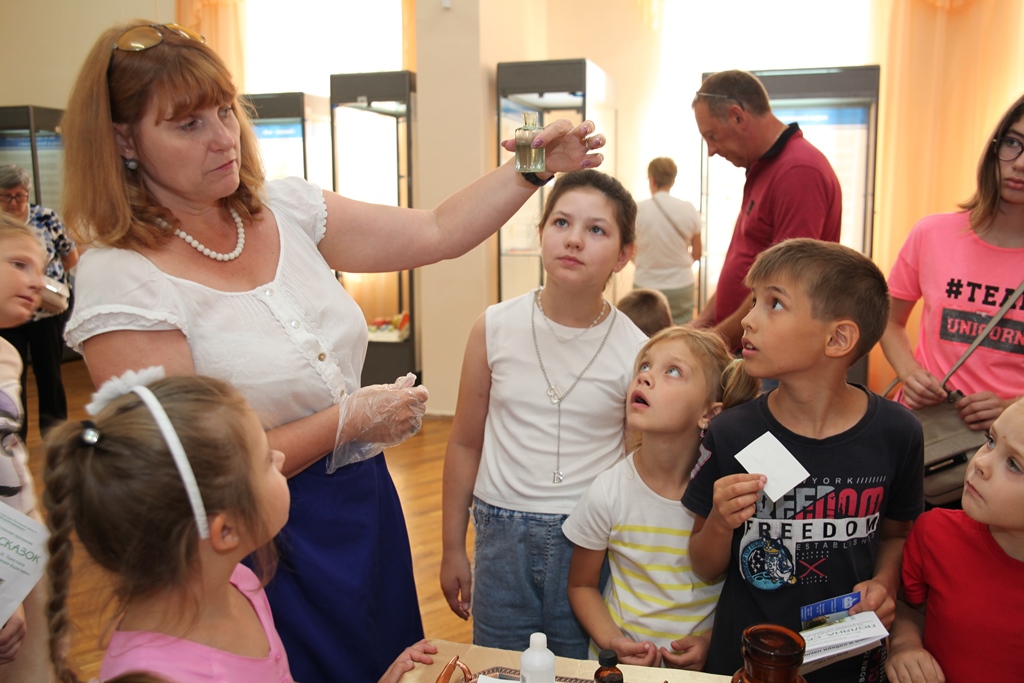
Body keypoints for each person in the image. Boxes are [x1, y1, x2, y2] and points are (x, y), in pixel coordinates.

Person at [60, 21, 606, 683]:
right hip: (249, 535)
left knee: (391, 659)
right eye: (187, 125)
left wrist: (534, 165)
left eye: (224, 111)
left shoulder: (280, 207)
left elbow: (436, 229)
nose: (223, 138)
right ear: (123, 141)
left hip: (361, 501)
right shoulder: (123, 276)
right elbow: (183, 476)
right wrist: (348, 421)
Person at [43, 370, 438, 683]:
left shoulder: (240, 583)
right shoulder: (154, 674)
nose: (282, 458)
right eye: (266, 460)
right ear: (225, 531)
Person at [681, 238, 925, 682]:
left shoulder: (898, 432)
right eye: (754, 300)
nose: (749, 319)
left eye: (774, 304)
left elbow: (896, 535)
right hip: (747, 662)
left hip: (847, 660)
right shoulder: (732, 432)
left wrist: (886, 583)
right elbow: (702, 563)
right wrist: (720, 520)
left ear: (837, 338)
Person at [440, 170, 648, 658]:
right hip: (499, 536)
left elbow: (634, 462)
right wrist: (452, 546)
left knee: (580, 666)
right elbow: (466, 441)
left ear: (623, 254)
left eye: (596, 230)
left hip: (589, 537)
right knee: (502, 665)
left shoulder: (636, 348)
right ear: (540, 233)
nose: (574, 239)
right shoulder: (493, 327)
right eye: (561, 222)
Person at [563, 326, 759, 668]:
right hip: (622, 672)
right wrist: (615, 643)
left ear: (710, 414)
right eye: (644, 366)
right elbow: (582, 585)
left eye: (672, 371)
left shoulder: (727, 498)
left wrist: (710, 643)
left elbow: (742, 594)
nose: (645, 378)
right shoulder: (609, 490)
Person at [880, 94, 1024, 433]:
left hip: (1007, 441)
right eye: (1014, 143)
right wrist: (910, 373)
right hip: (924, 428)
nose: (1019, 163)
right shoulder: (932, 233)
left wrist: (1012, 405)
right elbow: (888, 319)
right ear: (994, 147)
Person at [690, 70, 841, 351]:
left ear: (737, 115)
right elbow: (743, 259)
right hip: (747, 344)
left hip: (771, 351)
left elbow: (781, 284)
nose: (710, 150)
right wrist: (698, 329)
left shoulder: (798, 170)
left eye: (712, 136)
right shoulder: (763, 168)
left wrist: (712, 345)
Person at [885, 397, 1024, 683]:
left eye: (1014, 464)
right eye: (991, 440)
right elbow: (909, 607)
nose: (981, 462)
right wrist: (905, 645)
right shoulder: (935, 533)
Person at [0, 216, 54, 682]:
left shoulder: (9, 354)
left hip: (22, 542)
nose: (37, 281)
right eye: (19, 264)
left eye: (40, 268)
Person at [0, 164, 78, 439]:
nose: (13, 202)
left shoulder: (45, 218)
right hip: (8, 318)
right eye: (6, 196)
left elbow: (70, 257)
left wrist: (45, 283)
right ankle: (12, 434)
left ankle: (55, 435)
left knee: (50, 377)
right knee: (12, 378)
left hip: (46, 314)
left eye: (19, 195)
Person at [631, 157, 701, 324]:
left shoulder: (637, 210)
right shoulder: (688, 209)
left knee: (644, 335)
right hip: (681, 285)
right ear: (672, 180)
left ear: (652, 179)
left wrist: (645, 263)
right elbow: (697, 253)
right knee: (680, 336)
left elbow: (630, 252)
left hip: (645, 283)